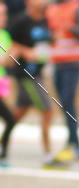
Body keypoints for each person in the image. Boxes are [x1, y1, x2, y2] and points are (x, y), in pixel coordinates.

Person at [8, 0, 55, 166]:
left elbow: (47, 42)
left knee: (17, 114)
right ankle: (48, 156)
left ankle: (2, 144)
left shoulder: (44, 20)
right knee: (47, 111)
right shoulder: (20, 21)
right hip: (26, 74)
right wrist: (25, 51)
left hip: (38, 72)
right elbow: (8, 43)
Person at [46, 0, 79, 162]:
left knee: (68, 100)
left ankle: (74, 143)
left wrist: (68, 27)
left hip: (74, 61)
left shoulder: (77, 7)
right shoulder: (51, 9)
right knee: (64, 104)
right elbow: (48, 32)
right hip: (57, 61)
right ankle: (72, 141)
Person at [0, 2, 16, 163]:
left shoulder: (4, 35)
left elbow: (9, 60)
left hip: (2, 83)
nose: (4, 18)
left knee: (10, 119)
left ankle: (3, 153)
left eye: (5, 14)